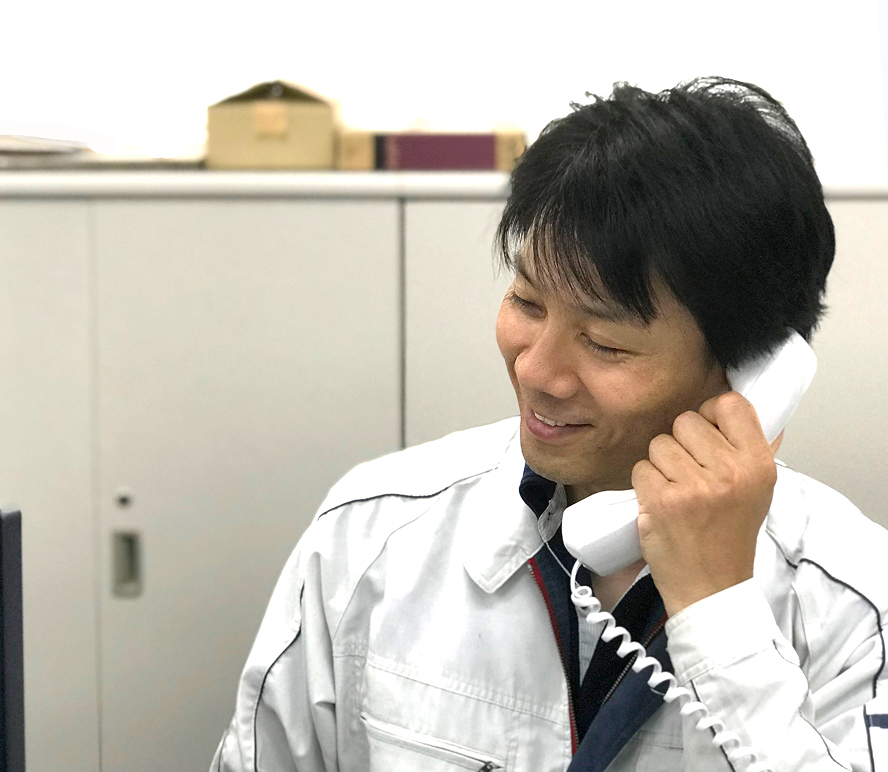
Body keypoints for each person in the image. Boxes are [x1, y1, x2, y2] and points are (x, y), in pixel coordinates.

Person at [212, 77, 888, 771]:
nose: (536, 371)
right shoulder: (372, 534)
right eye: (527, 303)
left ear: (751, 369)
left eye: (604, 343)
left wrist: (719, 615)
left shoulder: (854, 603)